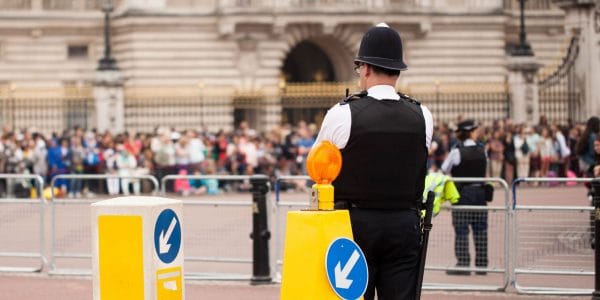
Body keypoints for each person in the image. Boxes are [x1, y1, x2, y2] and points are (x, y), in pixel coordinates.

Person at [313, 23, 433, 300]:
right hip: (405, 222)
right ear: (397, 70)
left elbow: (318, 166)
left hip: (355, 223)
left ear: (365, 68)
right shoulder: (422, 115)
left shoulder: (342, 113)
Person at [441, 119, 488, 275]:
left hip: (462, 193)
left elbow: (444, 169)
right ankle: (482, 265)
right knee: (480, 229)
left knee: (461, 229)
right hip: (480, 193)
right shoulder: (483, 150)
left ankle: (463, 264)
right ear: (471, 132)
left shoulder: (456, 151)